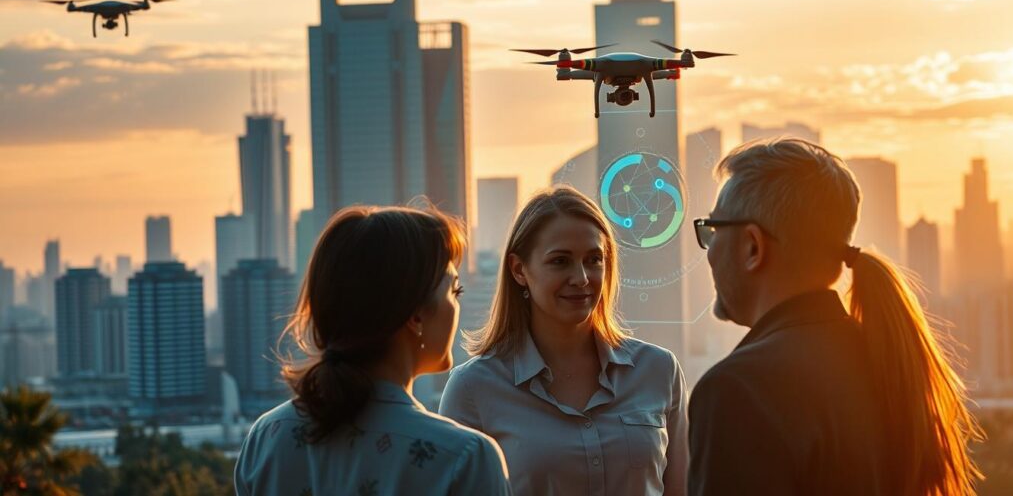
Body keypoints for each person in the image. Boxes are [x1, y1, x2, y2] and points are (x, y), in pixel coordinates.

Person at [687, 138, 983, 495]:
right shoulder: (889, 363)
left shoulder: (737, 391)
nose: (709, 251)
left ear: (753, 246)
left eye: (714, 230)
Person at [234, 205, 511, 496]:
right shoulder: (462, 458)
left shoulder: (268, 437)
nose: (458, 306)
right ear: (415, 315)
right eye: (454, 291)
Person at [440, 186, 687, 496]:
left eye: (594, 259)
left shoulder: (659, 370)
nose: (582, 278)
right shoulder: (473, 389)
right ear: (519, 270)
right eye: (560, 261)